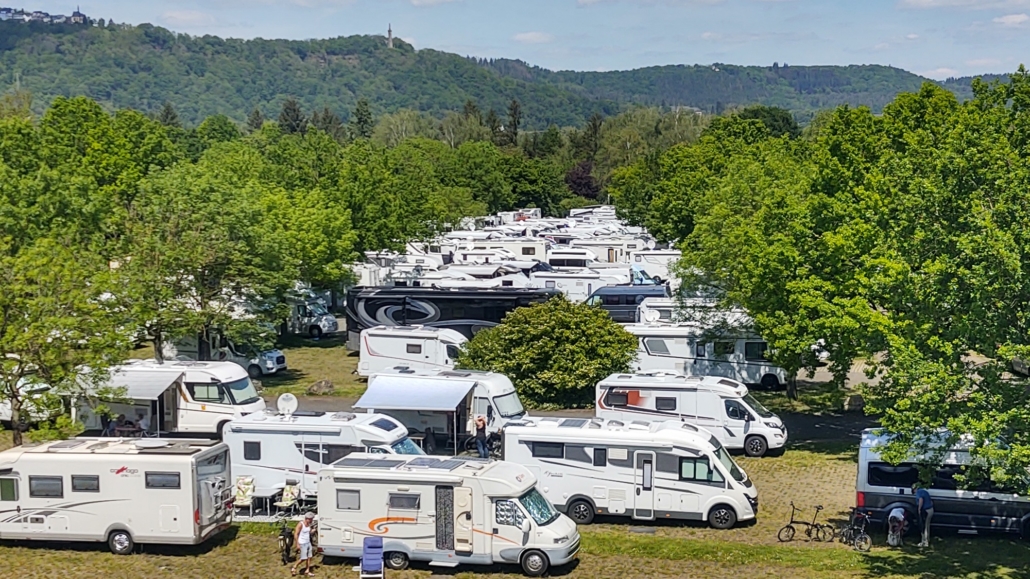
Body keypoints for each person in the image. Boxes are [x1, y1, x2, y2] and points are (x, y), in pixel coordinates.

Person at [291, 512, 316, 577]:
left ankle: (307, 570)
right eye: (310, 519)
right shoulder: (300, 524)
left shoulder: (309, 524)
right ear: (307, 518)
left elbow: (308, 532)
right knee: (303, 558)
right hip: (302, 543)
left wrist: (312, 531)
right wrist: (297, 544)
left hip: (308, 542)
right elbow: (296, 534)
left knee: (309, 557)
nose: (311, 521)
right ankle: (294, 567)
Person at [913, 483, 934, 547]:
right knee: (927, 526)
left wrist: (919, 509)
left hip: (925, 511)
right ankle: (927, 540)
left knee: (924, 527)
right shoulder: (924, 491)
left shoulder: (919, 492)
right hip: (930, 510)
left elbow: (921, 500)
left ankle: (924, 542)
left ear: (915, 489)